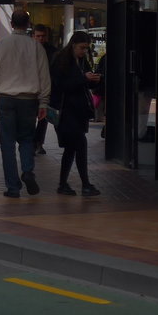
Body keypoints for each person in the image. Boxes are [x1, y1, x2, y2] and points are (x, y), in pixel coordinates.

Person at [0, 10, 51, 198]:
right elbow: (45, 78)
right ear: (28, 24)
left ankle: (13, 187)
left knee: (7, 142)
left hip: (5, 98)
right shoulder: (37, 47)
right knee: (27, 139)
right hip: (29, 100)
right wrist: (43, 102)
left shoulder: (1, 45)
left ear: (12, 24)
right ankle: (28, 170)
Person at [50, 31, 102, 196]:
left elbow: (82, 83)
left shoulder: (81, 60)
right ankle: (85, 184)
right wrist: (83, 78)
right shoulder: (61, 60)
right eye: (81, 48)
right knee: (80, 145)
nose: (84, 51)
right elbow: (60, 85)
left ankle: (63, 183)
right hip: (66, 111)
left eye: (86, 48)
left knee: (71, 148)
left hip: (79, 111)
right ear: (73, 45)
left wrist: (93, 80)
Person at [32, 24, 57, 155]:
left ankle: (38, 143)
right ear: (33, 36)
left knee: (43, 118)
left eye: (43, 36)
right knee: (31, 118)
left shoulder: (52, 51)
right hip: (31, 89)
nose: (40, 39)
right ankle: (32, 142)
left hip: (46, 89)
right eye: (38, 36)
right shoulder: (29, 49)